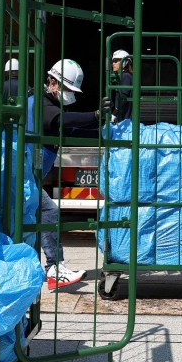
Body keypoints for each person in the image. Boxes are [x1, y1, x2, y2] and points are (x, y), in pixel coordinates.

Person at [27, 58, 110, 289]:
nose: (69, 94)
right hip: (21, 177)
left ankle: (45, 268)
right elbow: (63, 120)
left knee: (36, 219)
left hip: (26, 177)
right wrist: (94, 115)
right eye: (66, 88)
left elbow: (68, 130)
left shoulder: (47, 105)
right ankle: (54, 268)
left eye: (72, 90)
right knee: (48, 213)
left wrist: (101, 134)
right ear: (52, 82)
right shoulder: (40, 104)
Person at [110, 49, 133, 122]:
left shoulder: (126, 76)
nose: (113, 64)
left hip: (124, 120)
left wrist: (114, 114)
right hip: (122, 119)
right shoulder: (122, 76)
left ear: (125, 62)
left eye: (116, 61)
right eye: (113, 61)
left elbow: (123, 97)